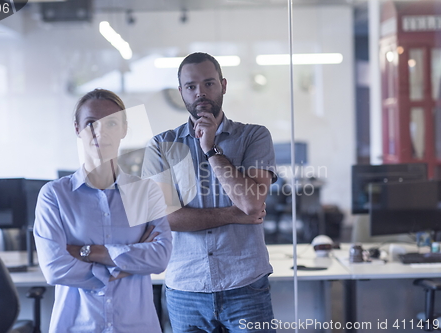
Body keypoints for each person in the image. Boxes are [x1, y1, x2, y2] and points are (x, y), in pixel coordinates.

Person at [142, 53, 278, 332]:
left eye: (209, 83)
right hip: (185, 290)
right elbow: (165, 218)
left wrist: (211, 149)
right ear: (181, 92)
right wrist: (233, 214)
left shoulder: (254, 136)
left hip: (245, 285)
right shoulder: (160, 145)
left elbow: (252, 205)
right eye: (191, 86)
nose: (200, 92)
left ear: (223, 85)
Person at [34, 88, 172, 333]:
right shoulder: (55, 195)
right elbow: (55, 269)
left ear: (124, 129)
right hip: (78, 326)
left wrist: (89, 252)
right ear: (77, 128)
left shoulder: (145, 192)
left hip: (137, 326)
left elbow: (159, 257)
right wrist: (127, 263)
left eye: (111, 123)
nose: (100, 132)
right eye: (90, 123)